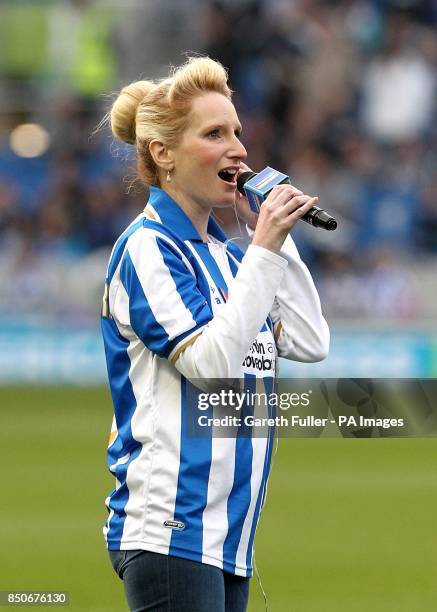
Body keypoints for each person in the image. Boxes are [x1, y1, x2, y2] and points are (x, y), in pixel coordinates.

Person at [101, 56, 329, 612]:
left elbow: (308, 340)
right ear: (164, 154)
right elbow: (209, 363)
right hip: (171, 529)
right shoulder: (148, 248)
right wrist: (266, 248)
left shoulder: (231, 258)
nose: (239, 150)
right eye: (215, 134)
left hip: (228, 534)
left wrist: (273, 236)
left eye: (238, 133)